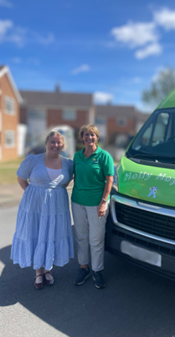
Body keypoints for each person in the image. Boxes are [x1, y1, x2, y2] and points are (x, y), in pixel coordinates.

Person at [11, 131, 74, 289]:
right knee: (37, 233)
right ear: (46, 143)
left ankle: (48, 270)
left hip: (57, 207)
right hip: (34, 206)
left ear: (63, 145)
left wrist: (53, 193)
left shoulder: (68, 163)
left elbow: (64, 183)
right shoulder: (33, 160)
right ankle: (38, 272)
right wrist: (33, 194)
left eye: (59, 142)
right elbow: (21, 178)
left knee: (52, 234)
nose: (55, 145)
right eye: (52, 141)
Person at [71, 124, 114, 289]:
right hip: (77, 201)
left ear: (97, 137)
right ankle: (84, 267)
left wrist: (103, 202)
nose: (89, 137)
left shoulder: (104, 156)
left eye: (92, 135)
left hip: (97, 203)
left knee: (95, 239)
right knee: (81, 237)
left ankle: (97, 270)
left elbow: (109, 180)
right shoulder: (77, 156)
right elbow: (74, 176)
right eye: (86, 135)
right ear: (82, 137)